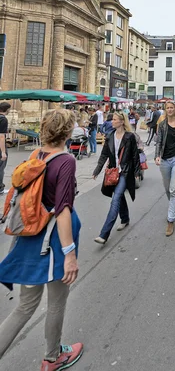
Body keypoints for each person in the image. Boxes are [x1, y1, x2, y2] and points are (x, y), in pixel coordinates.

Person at [0, 109, 83, 370]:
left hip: (29, 238)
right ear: (68, 133)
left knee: (25, 306)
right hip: (52, 242)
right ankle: (52, 356)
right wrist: (69, 253)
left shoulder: (36, 155)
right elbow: (63, 209)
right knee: (57, 301)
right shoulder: (66, 161)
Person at [92, 112, 140, 244]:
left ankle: (104, 234)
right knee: (119, 196)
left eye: (114, 119)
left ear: (121, 121)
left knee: (116, 198)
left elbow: (135, 155)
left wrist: (137, 172)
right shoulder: (110, 136)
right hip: (113, 172)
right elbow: (104, 155)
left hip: (125, 172)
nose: (111, 121)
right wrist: (97, 170)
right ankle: (125, 219)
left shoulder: (129, 137)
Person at [154, 101, 175, 236]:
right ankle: (173, 207)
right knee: (168, 189)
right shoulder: (162, 125)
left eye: (171, 107)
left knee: (174, 189)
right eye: (167, 108)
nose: (169, 110)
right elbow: (159, 142)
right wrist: (157, 156)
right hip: (164, 161)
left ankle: (170, 219)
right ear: (165, 110)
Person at [0, 102, 11, 195]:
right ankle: (0, 188)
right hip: (0, 146)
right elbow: (1, 136)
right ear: (6, 109)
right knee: (1, 167)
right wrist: (3, 152)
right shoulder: (3, 120)